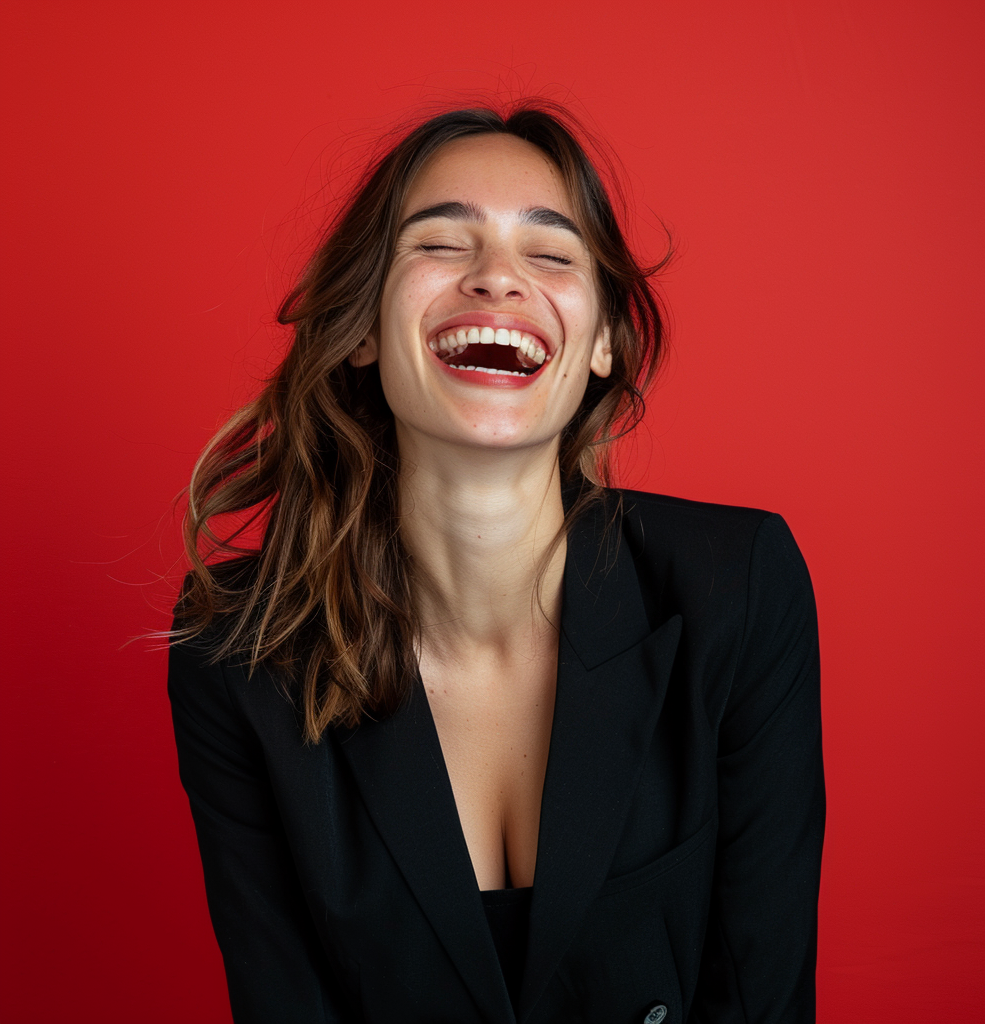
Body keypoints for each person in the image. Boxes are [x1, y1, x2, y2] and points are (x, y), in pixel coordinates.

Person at [168, 103, 825, 1024]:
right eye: (441, 243)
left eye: (552, 256)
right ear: (361, 327)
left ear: (601, 343)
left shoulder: (738, 591)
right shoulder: (236, 653)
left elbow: (762, 994)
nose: (498, 279)